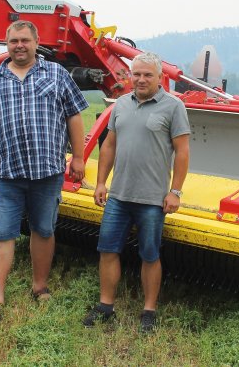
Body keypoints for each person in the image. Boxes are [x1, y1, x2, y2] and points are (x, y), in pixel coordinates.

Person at [0, 20, 88, 322]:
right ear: (6, 45)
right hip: (6, 173)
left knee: (44, 230)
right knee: (1, 233)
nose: (19, 46)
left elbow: (74, 117)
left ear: (36, 43)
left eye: (24, 40)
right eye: (13, 41)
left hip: (47, 172)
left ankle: (40, 286)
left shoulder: (57, 75)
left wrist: (78, 158)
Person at [82, 52, 190, 333]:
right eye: (136, 74)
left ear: (160, 77)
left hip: (152, 199)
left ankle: (149, 311)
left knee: (150, 255)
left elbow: (182, 151)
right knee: (107, 250)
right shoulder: (120, 105)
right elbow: (109, 145)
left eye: (147, 75)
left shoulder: (173, 107)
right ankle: (106, 307)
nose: (141, 79)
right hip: (118, 196)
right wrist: (102, 182)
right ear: (130, 76)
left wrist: (175, 191)